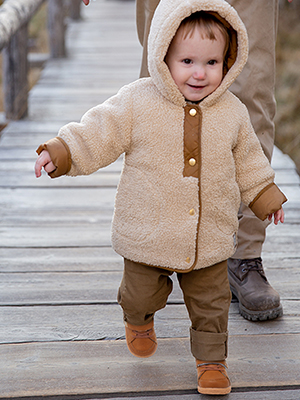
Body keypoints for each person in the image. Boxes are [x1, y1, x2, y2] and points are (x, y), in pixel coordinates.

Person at [35, 0, 287, 395]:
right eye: (186, 61)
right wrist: (63, 151)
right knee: (140, 293)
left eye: (212, 64)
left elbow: (249, 160)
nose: (200, 74)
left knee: (211, 303)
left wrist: (266, 195)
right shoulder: (137, 102)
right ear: (163, 58)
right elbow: (100, 130)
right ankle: (138, 317)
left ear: (228, 63)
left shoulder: (232, 111)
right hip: (148, 229)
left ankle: (211, 361)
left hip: (209, 237)